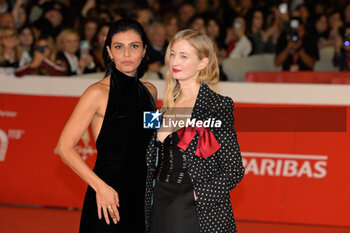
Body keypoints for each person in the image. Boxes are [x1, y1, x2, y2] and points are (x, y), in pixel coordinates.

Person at [56, 19, 157, 232]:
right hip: (108, 198)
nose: (127, 54)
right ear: (110, 52)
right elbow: (64, 148)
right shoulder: (97, 93)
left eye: (134, 46)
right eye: (119, 47)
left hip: (142, 197)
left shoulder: (151, 92)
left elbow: (152, 140)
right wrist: (101, 188)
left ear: (144, 50)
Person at [144, 29, 245, 233]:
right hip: (159, 199)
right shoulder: (163, 107)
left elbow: (234, 169)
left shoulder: (216, 106)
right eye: (172, 54)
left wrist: (196, 194)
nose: (175, 61)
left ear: (202, 63)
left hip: (191, 205)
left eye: (184, 56)